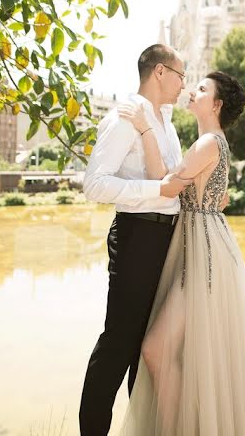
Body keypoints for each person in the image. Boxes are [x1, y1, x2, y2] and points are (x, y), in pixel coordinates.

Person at [117, 71, 245, 435]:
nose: (191, 91)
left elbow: (166, 187)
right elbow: (210, 194)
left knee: (155, 350)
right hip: (205, 245)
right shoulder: (214, 142)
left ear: (216, 104)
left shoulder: (207, 144)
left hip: (205, 257)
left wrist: (145, 129)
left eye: (201, 89)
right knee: (186, 354)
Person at [79, 44, 193, 436]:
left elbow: (172, 182)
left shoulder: (166, 120)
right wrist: (155, 191)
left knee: (147, 351)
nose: (184, 84)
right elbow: (93, 185)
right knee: (119, 344)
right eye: (180, 75)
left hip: (165, 240)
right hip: (136, 236)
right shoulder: (123, 117)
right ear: (160, 72)